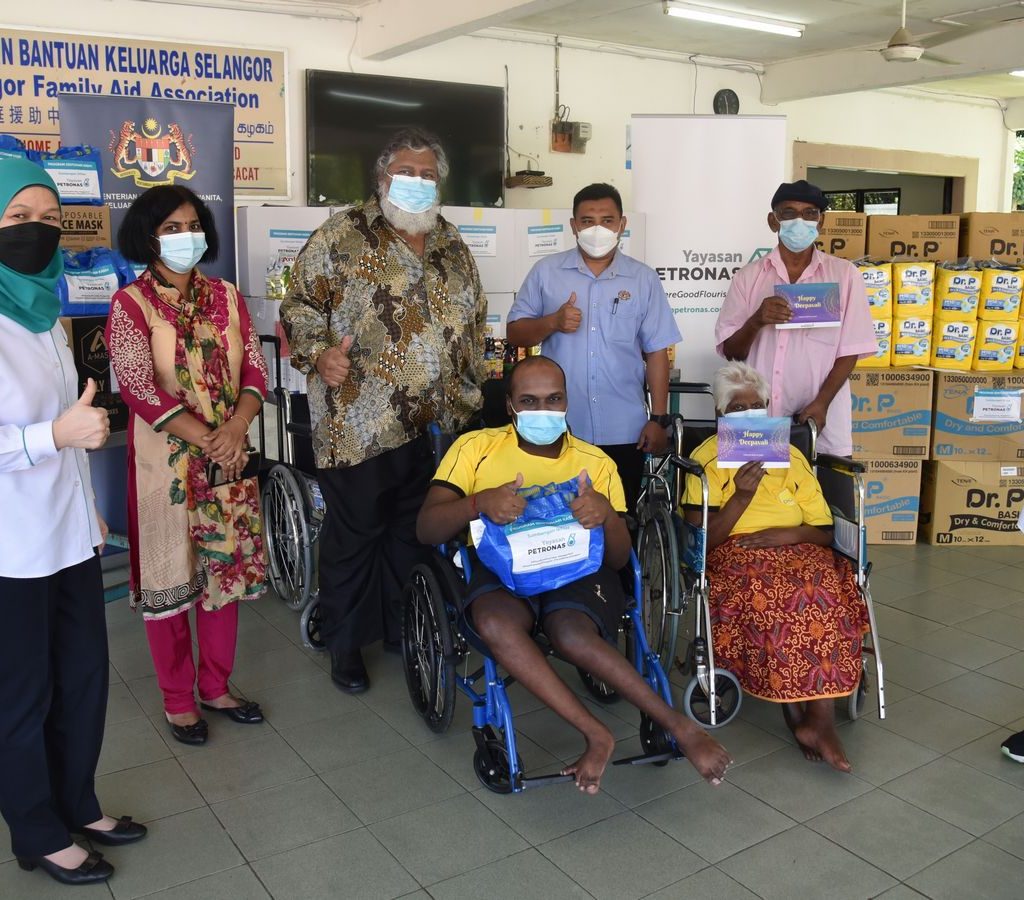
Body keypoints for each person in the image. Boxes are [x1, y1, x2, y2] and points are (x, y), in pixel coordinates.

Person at [417, 356, 731, 794]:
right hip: (503, 569)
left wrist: (607, 517)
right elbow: (426, 527)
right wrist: (478, 502)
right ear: (510, 405)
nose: (542, 410)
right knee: (493, 622)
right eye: (529, 401)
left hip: (579, 571)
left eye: (553, 400)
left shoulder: (596, 462)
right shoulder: (475, 449)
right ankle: (596, 733)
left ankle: (681, 725)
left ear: (567, 403)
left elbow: (621, 560)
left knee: (571, 633)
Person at [281, 127, 486, 694]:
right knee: (355, 539)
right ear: (381, 178)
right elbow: (299, 305)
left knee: (413, 534)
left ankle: (401, 628)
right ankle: (345, 645)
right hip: (361, 424)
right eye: (406, 171)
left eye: (427, 173)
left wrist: (471, 399)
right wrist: (318, 356)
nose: (417, 182)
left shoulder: (450, 243)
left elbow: (471, 325)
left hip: (436, 425)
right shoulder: (342, 235)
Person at [0, 158, 146, 886]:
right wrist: (48, 437)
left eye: (48, 218)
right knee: (21, 696)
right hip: (8, 549)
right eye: (18, 217)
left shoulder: (43, 309)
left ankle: (76, 803)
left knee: (85, 677)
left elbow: (75, 420)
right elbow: (50, 431)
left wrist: (79, 479)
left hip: (68, 535)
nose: (37, 231)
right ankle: (36, 830)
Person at [106, 185, 268, 747]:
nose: (185, 236)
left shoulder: (228, 294)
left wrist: (236, 429)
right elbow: (138, 388)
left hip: (228, 459)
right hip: (167, 470)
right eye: (171, 227)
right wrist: (208, 438)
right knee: (171, 583)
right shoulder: (131, 304)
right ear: (148, 236)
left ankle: (217, 687)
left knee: (222, 576)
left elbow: (255, 372)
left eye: (192, 224)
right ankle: (178, 701)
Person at [681, 361, 869, 772]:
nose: (749, 413)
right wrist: (740, 499)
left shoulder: (792, 457)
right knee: (777, 594)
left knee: (825, 588)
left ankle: (818, 720)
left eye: (757, 405)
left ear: (768, 409)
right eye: (737, 407)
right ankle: (793, 707)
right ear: (720, 414)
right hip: (735, 552)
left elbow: (823, 530)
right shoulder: (704, 461)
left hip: (799, 547)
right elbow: (701, 544)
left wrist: (790, 535)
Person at [506, 183, 680, 516]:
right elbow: (515, 332)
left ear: (622, 225)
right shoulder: (547, 272)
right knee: (557, 518)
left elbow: (656, 351)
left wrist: (658, 418)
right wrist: (553, 322)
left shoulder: (642, 279)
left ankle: (619, 571)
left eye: (607, 220)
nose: (597, 229)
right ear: (573, 225)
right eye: (587, 221)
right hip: (560, 427)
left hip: (624, 428)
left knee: (618, 519)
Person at [714, 180, 875, 464]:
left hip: (822, 420)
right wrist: (756, 321)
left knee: (827, 505)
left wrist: (822, 402)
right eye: (788, 213)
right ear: (773, 221)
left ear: (820, 221)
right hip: (757, 422)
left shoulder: (845, 276)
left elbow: (850, 351)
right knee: (756, 503)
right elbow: (731, 352)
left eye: (809, 213)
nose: (799, 221)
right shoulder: (748, 278)